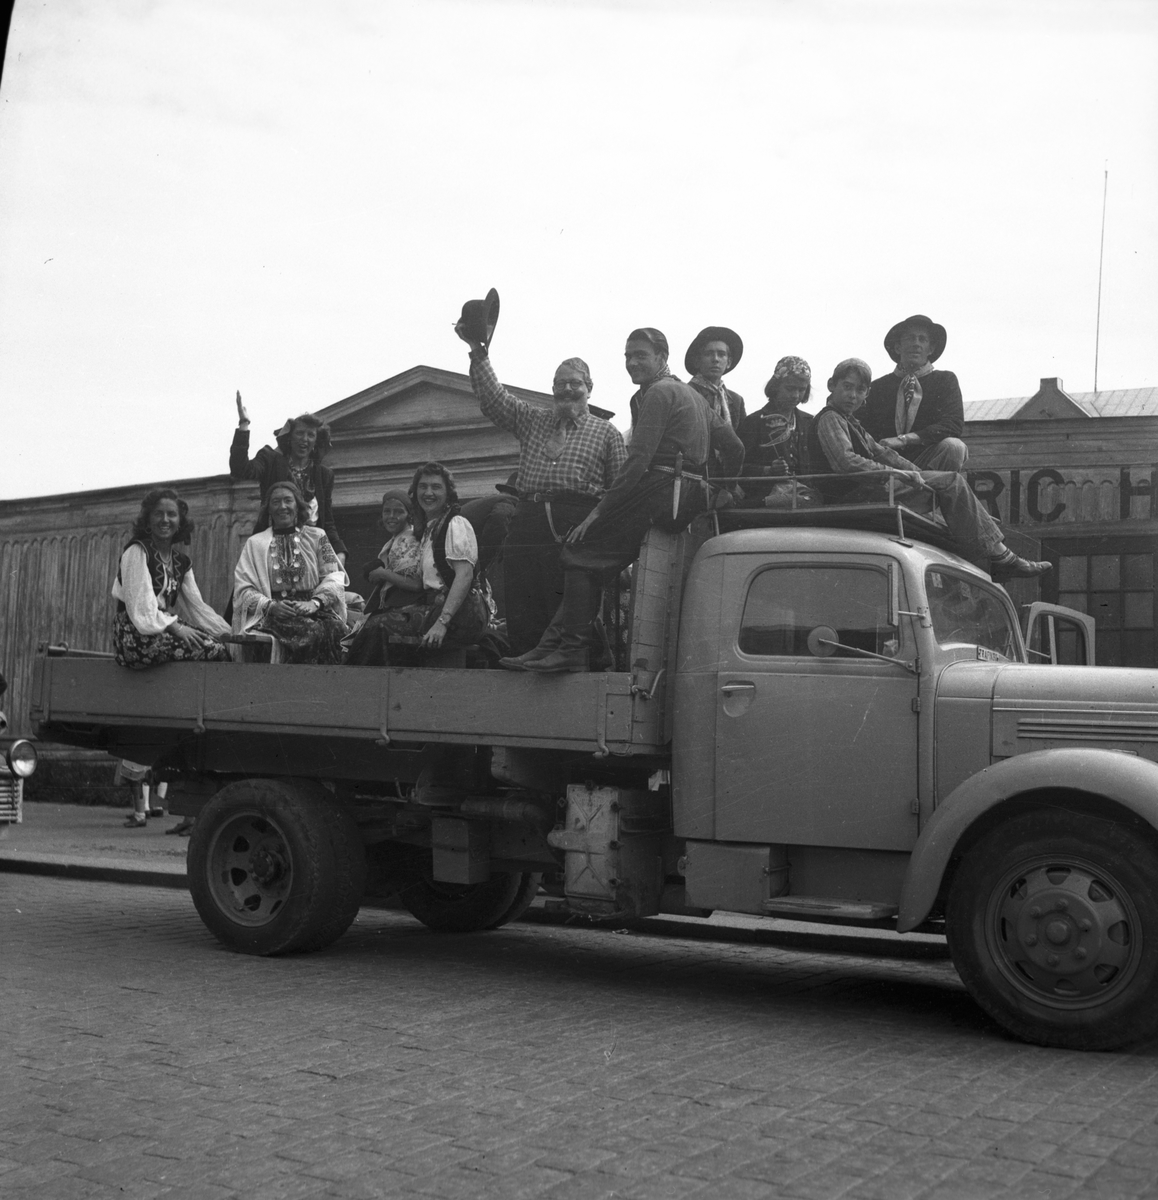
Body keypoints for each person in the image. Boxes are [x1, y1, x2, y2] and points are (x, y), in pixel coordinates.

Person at [521, 328, 745, 674]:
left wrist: (597, 513)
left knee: (580, 551)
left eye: (641, 355)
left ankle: (571, 651)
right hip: (687, 493)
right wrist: (724, 489)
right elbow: (735, 448)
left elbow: (638, 460)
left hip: (662, 490)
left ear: (662, 357)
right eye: (628, 356)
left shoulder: (658, 392)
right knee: (593, 560)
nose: (632, 362)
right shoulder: (692, 394)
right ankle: (550, 646)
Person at [809, 358, 1049, 580]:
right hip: (852, 496)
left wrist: (918, 474)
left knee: (946, 488)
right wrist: (899, 474)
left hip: (867, 491)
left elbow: (884, 453)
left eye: (860, 390)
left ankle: (989, 550)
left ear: (866, 394)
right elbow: (846, 462)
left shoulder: (851, 422)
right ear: (832, 385)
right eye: (847, 387)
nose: (853, 395)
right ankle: (1002, 558)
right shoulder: (831, 418)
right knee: (951, 483)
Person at [462, 339, 626, 657]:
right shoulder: (533, 420)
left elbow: (618, 491)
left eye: (575, 383)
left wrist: (603, 537)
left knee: (567, 600)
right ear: (552, 388)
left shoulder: (606, 432)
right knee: (522, 598)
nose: (567, 389)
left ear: (589, 388)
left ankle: (577, 669)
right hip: (529, 517)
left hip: (575, 520)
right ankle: (524, 663)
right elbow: (494, 400)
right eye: (560, 383)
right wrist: (478, 353)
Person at [346, 463, 489, 663]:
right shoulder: (430, 528)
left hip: (462, 615)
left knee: (377, 627)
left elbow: (464, 575)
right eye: (423, 487)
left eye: (436, 487)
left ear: (448, 493)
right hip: (438, 610)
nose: (428, 493)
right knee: (371, 625)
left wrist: (442, 623)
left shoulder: (455, 524)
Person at [111, 488, 232, 669]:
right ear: (148, 520)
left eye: (172, 514)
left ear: (180, 522)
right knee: (215, 651)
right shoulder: (137, 551)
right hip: (134, 635)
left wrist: (230, 634)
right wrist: (178, 628)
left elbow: (198, 608)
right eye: (158, 514)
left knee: (221, 647)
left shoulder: (180, 561)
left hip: (161, 627)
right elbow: (141, 608)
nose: (165, 520)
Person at [233, 481, 349, 663]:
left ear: (298, 505)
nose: (282, 506)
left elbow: (333, 577)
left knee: (339, 630)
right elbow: (243, 591)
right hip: (274, 614)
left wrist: (315, 603)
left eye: (288, 500)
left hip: (313, 609)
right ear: (268, 509)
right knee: (311, 632)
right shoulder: (255, 544)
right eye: (276, 502)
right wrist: (271, 606)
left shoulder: (318, 536)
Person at [229, 392, 347, 562]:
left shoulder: (324, 475)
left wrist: (340, 551)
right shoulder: (270, 460)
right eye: (300, 433)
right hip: (272, 546)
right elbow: (240, 470)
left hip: (311, 550)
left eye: (310, 435)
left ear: (316, 441)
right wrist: (244, 424)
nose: (304, 439)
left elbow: (327, 521)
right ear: (289, 437)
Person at [860, 314, 968, 472]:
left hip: (927, 460)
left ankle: (933, 486)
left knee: (954, 447)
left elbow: (953, 424)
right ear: (898, 347)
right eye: (910, 338)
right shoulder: (877, 387)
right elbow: (863, 429)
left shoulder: (945, 380)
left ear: (931, 349)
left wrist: (904, 440)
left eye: (922, 339)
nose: (916, 344)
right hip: (886, 463)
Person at [344, 489, 424, 666]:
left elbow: (416, 584)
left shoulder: (410, 539)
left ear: (409, 515)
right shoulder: (394, 541)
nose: (391, 516)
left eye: (398, 511)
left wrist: (383, 574)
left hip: (408, 607)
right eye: (387, 511)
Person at [738, 356, 821, 507]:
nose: (796, 395)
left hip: (805, 493)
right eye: (790, 388)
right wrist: (768, 470)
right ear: (776, 386)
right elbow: (738, 467)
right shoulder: (755, 421)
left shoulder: (809, 422)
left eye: (801, 389)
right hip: (768, 494)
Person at [685, 326, 746, 429]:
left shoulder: (736, 401)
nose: (715, 359)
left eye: (721, 354)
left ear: (729, 362)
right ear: (697, 361)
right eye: (708, 354)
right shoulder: (686, 394)